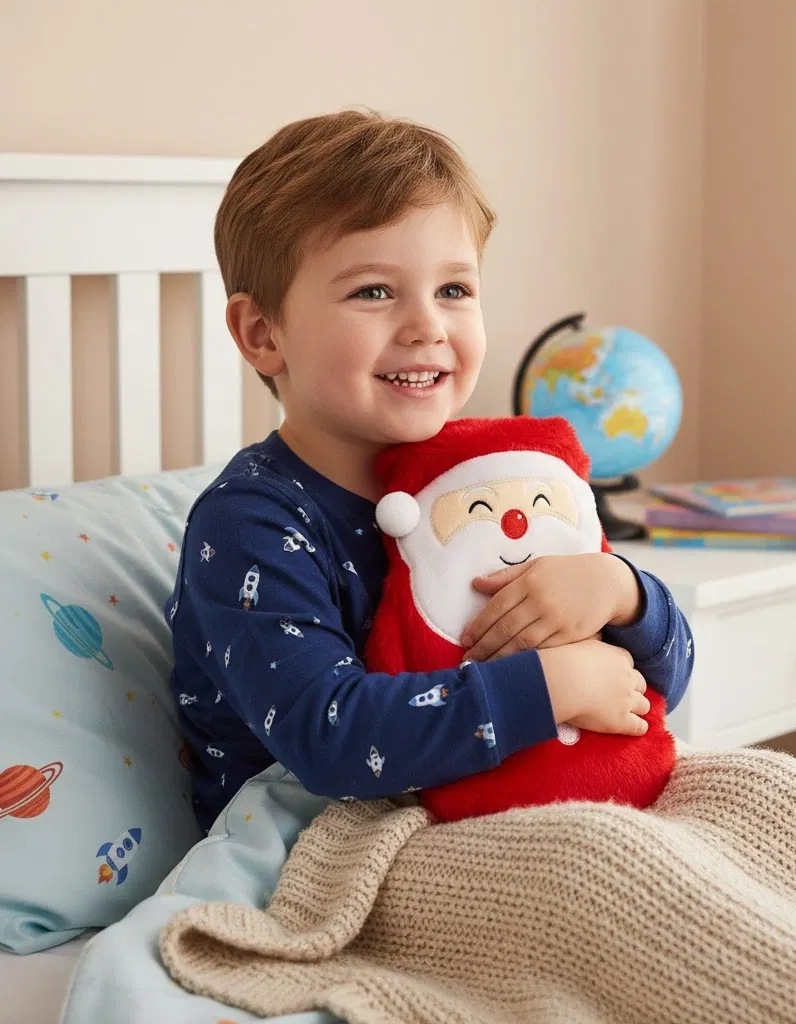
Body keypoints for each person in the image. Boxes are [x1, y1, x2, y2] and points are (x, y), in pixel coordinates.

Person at [166, 109, 695, 832]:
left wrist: (622, 594)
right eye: (374, 292)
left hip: (506, 806)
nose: (428, 326)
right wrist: (552, 686)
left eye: (453, 290)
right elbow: (332, 738)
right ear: (263, 333)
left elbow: (656, 684)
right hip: (311, 847)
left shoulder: (492, 478)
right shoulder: (253, 523)